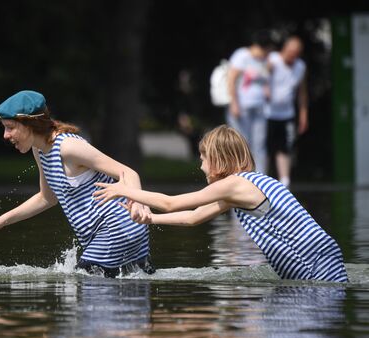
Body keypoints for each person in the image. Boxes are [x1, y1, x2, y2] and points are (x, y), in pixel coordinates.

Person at [93, 125, 348, 283]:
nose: (201, 165)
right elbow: (192, 218)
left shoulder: (233, 184)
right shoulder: (247, 185)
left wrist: (124, 190)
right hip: (322, 254)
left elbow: (171, 203)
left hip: (312, 261)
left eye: (203, 157)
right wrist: (150, 219)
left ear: (218, 159)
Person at [0, 90, 154, 277]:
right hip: (124, 231)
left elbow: (129, 173)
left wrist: (137, 203)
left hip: (116, 228)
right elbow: (46, 198)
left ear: (31, 124)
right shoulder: (39, 150)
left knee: (85, 284)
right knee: (132, 295)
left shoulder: (68, 147)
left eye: (10, 127)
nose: (5, 135)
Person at [227, 30, 274, 174]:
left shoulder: (265, 60)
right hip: (242, 107)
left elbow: (264, 79)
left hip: (260, 107)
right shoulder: (242, 56)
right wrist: (234, 103)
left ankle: (260, 177)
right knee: (242, 143)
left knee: (259, 144)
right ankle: (240, 175)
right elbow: (231, 80)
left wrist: (267, 89)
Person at [267, 36, 308, 188]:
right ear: (284, 49)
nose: (292, 56)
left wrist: (303, 114)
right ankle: (260, 176)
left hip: (287, 114)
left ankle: (285, 181)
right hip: (268, 113)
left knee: (285, 148)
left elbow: (302, 92)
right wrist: (265, 87)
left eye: (296, 54)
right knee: (265, 147)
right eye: (291, 52)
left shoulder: (300, 67)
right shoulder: (273, 59)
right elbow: (263, 76)